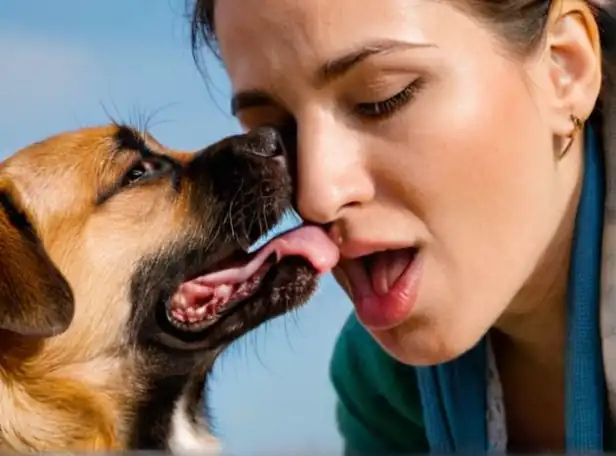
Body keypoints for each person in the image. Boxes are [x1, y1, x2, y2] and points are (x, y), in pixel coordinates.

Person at [189, 0, 616, 453]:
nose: (317, 195)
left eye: (381, 98)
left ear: (564, 67)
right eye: (276, 135)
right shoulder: (382, 385)